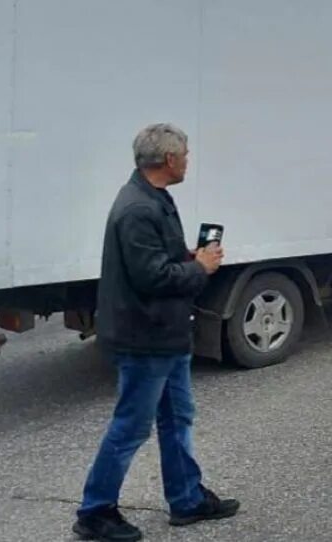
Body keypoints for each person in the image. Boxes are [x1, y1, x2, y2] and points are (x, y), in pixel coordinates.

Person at [74, 123, 239, 542]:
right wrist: (199, 267)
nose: (187, 161)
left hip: (167, 335)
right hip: (144, 337)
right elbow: (151, 277)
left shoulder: (155, 199)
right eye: (184, 154)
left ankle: (187, 500)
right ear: (169, 159)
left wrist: (187, 255)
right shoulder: (138, 209)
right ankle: (95, 513)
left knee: (177, 418)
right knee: (131, 427)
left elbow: (155, 260)